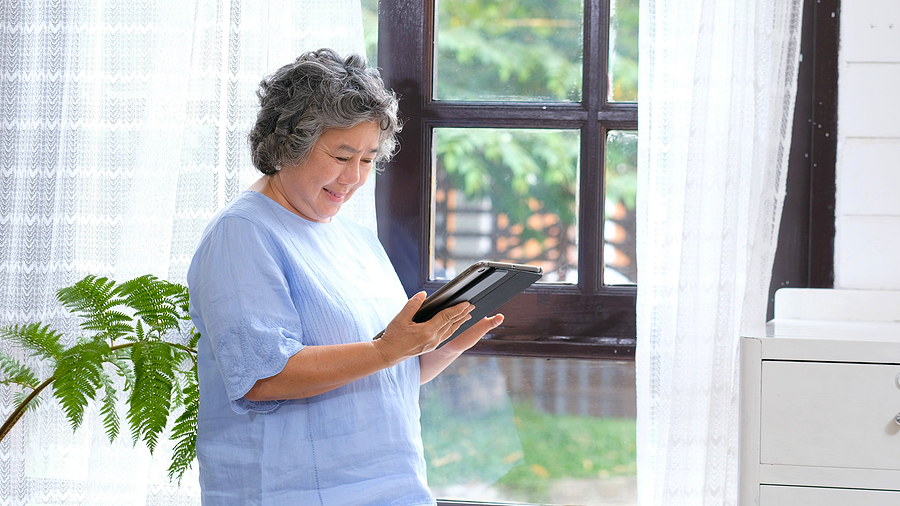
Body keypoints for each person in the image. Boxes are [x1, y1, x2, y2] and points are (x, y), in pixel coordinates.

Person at [186, 48, 504, 505]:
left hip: (393, 488)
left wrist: (444, 342)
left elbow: (384, 375)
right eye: (341, 155)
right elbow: (262, 377)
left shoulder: (355, 240)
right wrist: (384, 349)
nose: (354, 177)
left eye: (369, 159)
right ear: (288, 144)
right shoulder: (243, 234)